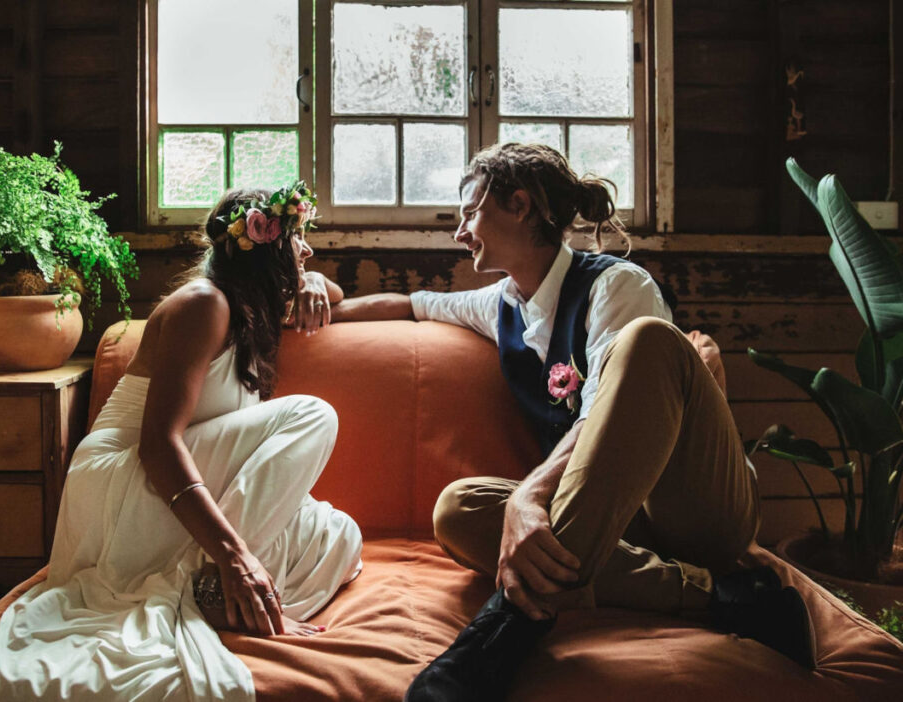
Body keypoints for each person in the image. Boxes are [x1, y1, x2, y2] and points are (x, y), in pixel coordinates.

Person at [330, 143, 815, 701]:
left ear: (518, 204)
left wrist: (531, 495)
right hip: (614, 524)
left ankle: (509, 625)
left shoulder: (618, 285)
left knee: (648, 340)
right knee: (459, 509)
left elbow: (599, 406)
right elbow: (412, 305)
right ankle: (724, 597)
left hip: (695, 508)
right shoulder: (499, 305)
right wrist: (312, 299)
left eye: (469, 212)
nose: (460, 232)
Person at [0, 184, 363, 702]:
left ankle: (214, 585)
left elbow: (332, 298)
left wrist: (309, 278)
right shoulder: (203, 304)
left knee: (336, 534)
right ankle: (219, 582)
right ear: (262, 245)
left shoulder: (249, 309)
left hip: (165, 488)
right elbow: (158, 444)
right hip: (127, 476)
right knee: (315, 415)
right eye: (296, 241)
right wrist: (235, 556)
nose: (307, 250)